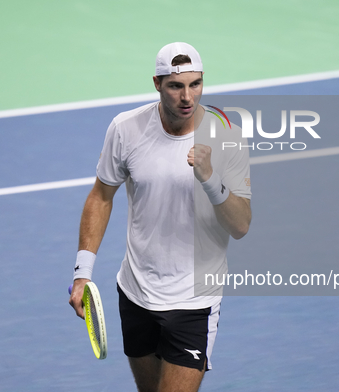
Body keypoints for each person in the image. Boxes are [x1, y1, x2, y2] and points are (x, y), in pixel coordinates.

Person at [69, 42, 252, 392]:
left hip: (193, 302)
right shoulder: (126, 129)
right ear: (157, 84)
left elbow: (241, 225)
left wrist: (211, 180)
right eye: (175, 86)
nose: (187, 97)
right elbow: (101, 196)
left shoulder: (226, 135)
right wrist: (82, 273)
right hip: (135, 293)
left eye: (195, 84)